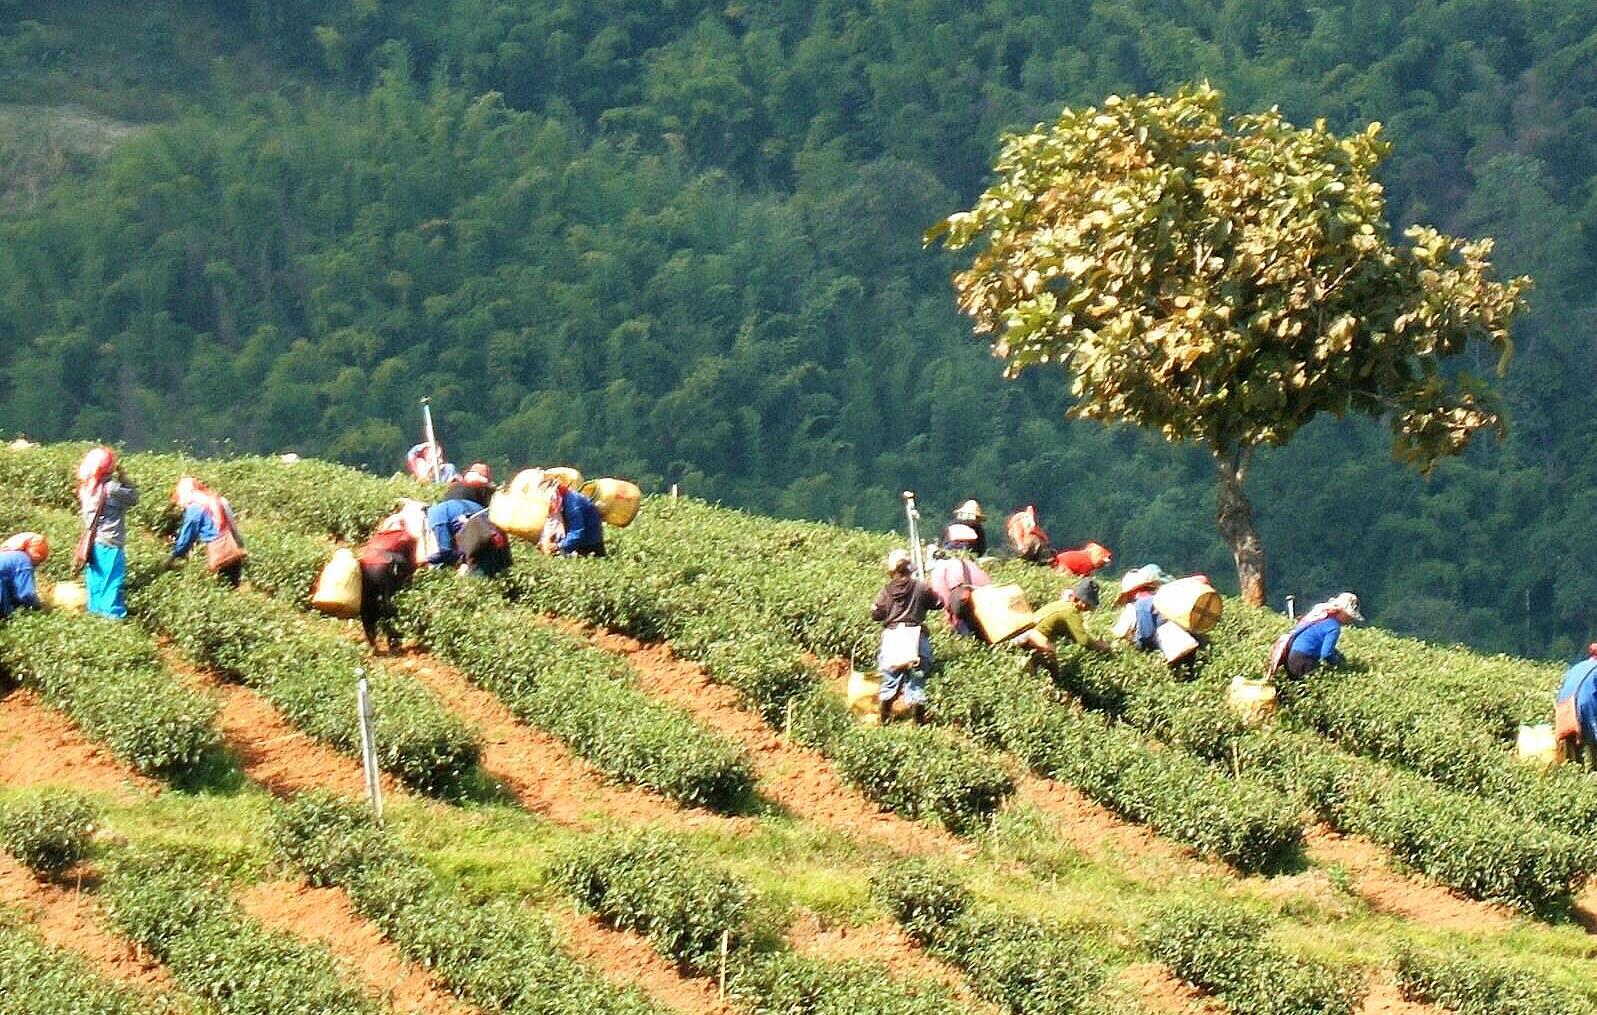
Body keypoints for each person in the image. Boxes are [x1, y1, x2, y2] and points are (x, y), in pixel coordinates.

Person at [870, 549, 942, 725]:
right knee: (916, 679)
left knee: (890, 679)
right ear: (910, 568)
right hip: (916, 636)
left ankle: (885, 718)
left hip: (892, 638)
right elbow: (939, 603)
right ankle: (918, 720)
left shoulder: (886, 590)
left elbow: (876, 615)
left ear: (892, 570)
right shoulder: (921, 586)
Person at [76, 447, 138, 620]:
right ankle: (112, 617)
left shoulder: (86, 486)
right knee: (112, 581)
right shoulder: (112, 488)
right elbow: (133, 497)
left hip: (93, 542)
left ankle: (94, 613)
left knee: (96, 579)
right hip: (110, 542)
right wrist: (124, 478)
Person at [166, 476, 245, 586]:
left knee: (221, 589)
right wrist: (240, 545)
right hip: (233, 550)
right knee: (233, 587)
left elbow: (186, 539)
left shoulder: (195, 509)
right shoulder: (218, 500)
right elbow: (233, 526)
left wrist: (172, 557)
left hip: (220, 555)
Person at [1269, 592, 1364, 679]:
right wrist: (1341, 666)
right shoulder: (1334, 627)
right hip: (1304, 661)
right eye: (1349, 616)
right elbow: (1326, 654)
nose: (1350, 620)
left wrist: (1338, 655)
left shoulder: (1321, 616)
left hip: (1290, 659)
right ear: (1342, 611)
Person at [358, 519, 418, 653]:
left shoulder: (377, 536)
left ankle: (371, 640)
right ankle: (394, 641)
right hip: (384, 567)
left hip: (365, 567)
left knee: (368, 603)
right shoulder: (407, 537)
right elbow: (411, 564)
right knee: (390, 604)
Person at [426, 496, 511, 577]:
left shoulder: (435, 516)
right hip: (498, 542)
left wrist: (426, 561)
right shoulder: (449, 506)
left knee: (478, 582)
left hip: (480, 546)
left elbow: (446, 551)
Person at [1026, 579, 1109, 653]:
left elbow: (1070, 633)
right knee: (1050, 654)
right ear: (1083, 603)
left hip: (1026, 631)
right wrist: (1099, 645)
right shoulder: (1072, 613)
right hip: (1033, 638)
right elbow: (1084, 641)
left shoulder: (1063, 604)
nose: (1090, 607)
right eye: (1089, 604)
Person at [929, 550, 991, 637]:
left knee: (968, 632)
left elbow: (942, 598)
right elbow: (986, 580)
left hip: (965, 604)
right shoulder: (966, 562)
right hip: (985, 597)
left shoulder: (938, 570)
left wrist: (949, 616)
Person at [1556, 644, 1597, 770]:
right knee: (1593, 745)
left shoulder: (1576, 667)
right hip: (1586, 708)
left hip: (1565, 708)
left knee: (1572, 754)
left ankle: (1574, 774)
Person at [544, 482, 605, 557]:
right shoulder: (559, 501)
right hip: (573, 542)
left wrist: (558, 546)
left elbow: (577, 532)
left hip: (589, 542)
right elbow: (549, 523)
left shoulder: (573, 503)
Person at [1114, 564, 1166, 652]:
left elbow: (1145, 635)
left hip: (1156, 643)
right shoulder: (1161, 594)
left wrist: (1132, 639)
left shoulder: (1139, 603)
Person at [0, 532, 47, 620]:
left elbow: (14, 591)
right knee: (7, 618)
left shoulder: (11, 556)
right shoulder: (24, 561)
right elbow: (26, 594)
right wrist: (40, 608)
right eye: (40, 561)